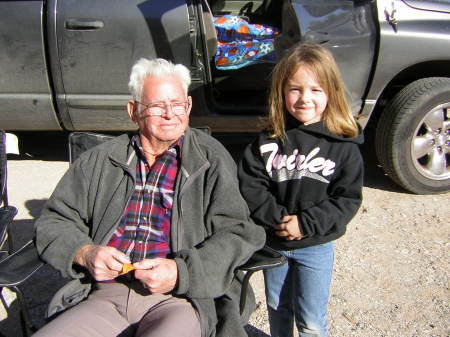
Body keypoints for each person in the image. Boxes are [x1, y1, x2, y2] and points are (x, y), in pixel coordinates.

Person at [33, 58, 265, 337]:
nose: (170, 114)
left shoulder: (210, 160)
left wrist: (180, 272)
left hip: (181, 300)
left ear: (188, 107)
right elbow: (54, 221)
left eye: (177, 104)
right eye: (157, 106)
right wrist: (85, 252)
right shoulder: (101, 160)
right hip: (105, 296)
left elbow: (239, 233)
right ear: (134, 111)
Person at [237, 43, 364, 337]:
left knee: (311, 320)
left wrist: (305, 224)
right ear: (281, 91)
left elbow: (347, 199)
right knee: (277, 308)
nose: (305, 98)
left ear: (331, 92)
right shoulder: (268, 141)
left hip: (316, 247)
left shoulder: (343, 147)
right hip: (275, 243)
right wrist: (279, 220)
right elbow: (252, 186)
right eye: (295, 89)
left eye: (316, 90)